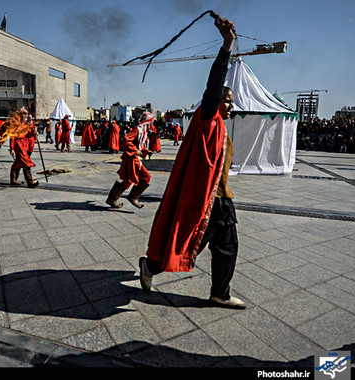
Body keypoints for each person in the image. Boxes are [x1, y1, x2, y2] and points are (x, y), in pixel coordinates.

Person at [139, 16, 246, 309]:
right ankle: (150, 266)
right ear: (214, 102)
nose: (230, 105)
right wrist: (227, 46)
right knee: (188, 245)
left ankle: (220, 293)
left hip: (222, 200)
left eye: (231, 102)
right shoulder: (207, 119)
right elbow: (213, 86)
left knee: (228, 247)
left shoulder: (221, 127)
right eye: (227, 100)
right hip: (202, 200)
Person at [106, 111, 153, 209]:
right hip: (132, 158)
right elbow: (126, 140)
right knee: (144, 176)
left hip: (133, 158)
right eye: (151, 123)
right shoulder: (137, 130)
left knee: (129, 179)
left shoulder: (142, 131)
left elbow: (139, 145)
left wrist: (145, 150)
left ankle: (113, 199)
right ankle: (132, 197)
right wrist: (136, 151)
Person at [9, 112, 39, 188]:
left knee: (18, 162)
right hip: (19, 145)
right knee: (26, 162)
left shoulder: (25, 124)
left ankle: (13, 179)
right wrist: (12, 148)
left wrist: (34, 131)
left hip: (24, 145)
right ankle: (29, 181)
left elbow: (29, 133)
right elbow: (12, 138)